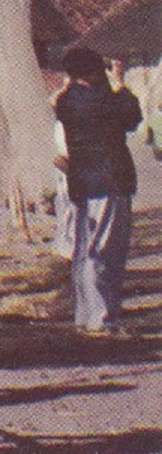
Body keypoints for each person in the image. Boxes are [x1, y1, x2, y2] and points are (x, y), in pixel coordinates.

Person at [55, 46, 143, 338]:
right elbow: (131, 116)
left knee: (84, 250)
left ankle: (87, 315)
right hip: (108, 180)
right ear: (92, 72)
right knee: (104, 251)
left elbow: (55, 100)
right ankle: (102, 319)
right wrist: (120, 85)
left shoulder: (68, 101)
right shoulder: (100, 100)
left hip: (82, 182)